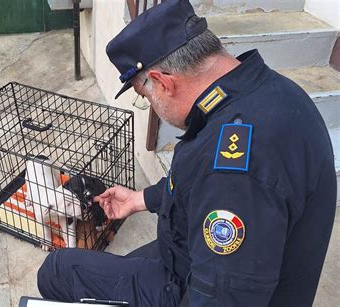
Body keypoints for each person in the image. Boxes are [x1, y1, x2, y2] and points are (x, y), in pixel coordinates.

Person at [37, 0, 337, 306]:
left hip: (186, 284)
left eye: (145, 98)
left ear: (162, 83)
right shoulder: (268, 91)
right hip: (189, 255)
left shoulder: (231, 173)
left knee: (57, 270)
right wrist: (141, 199)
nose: (151, 105)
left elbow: (221, 299)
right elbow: (194, 182)